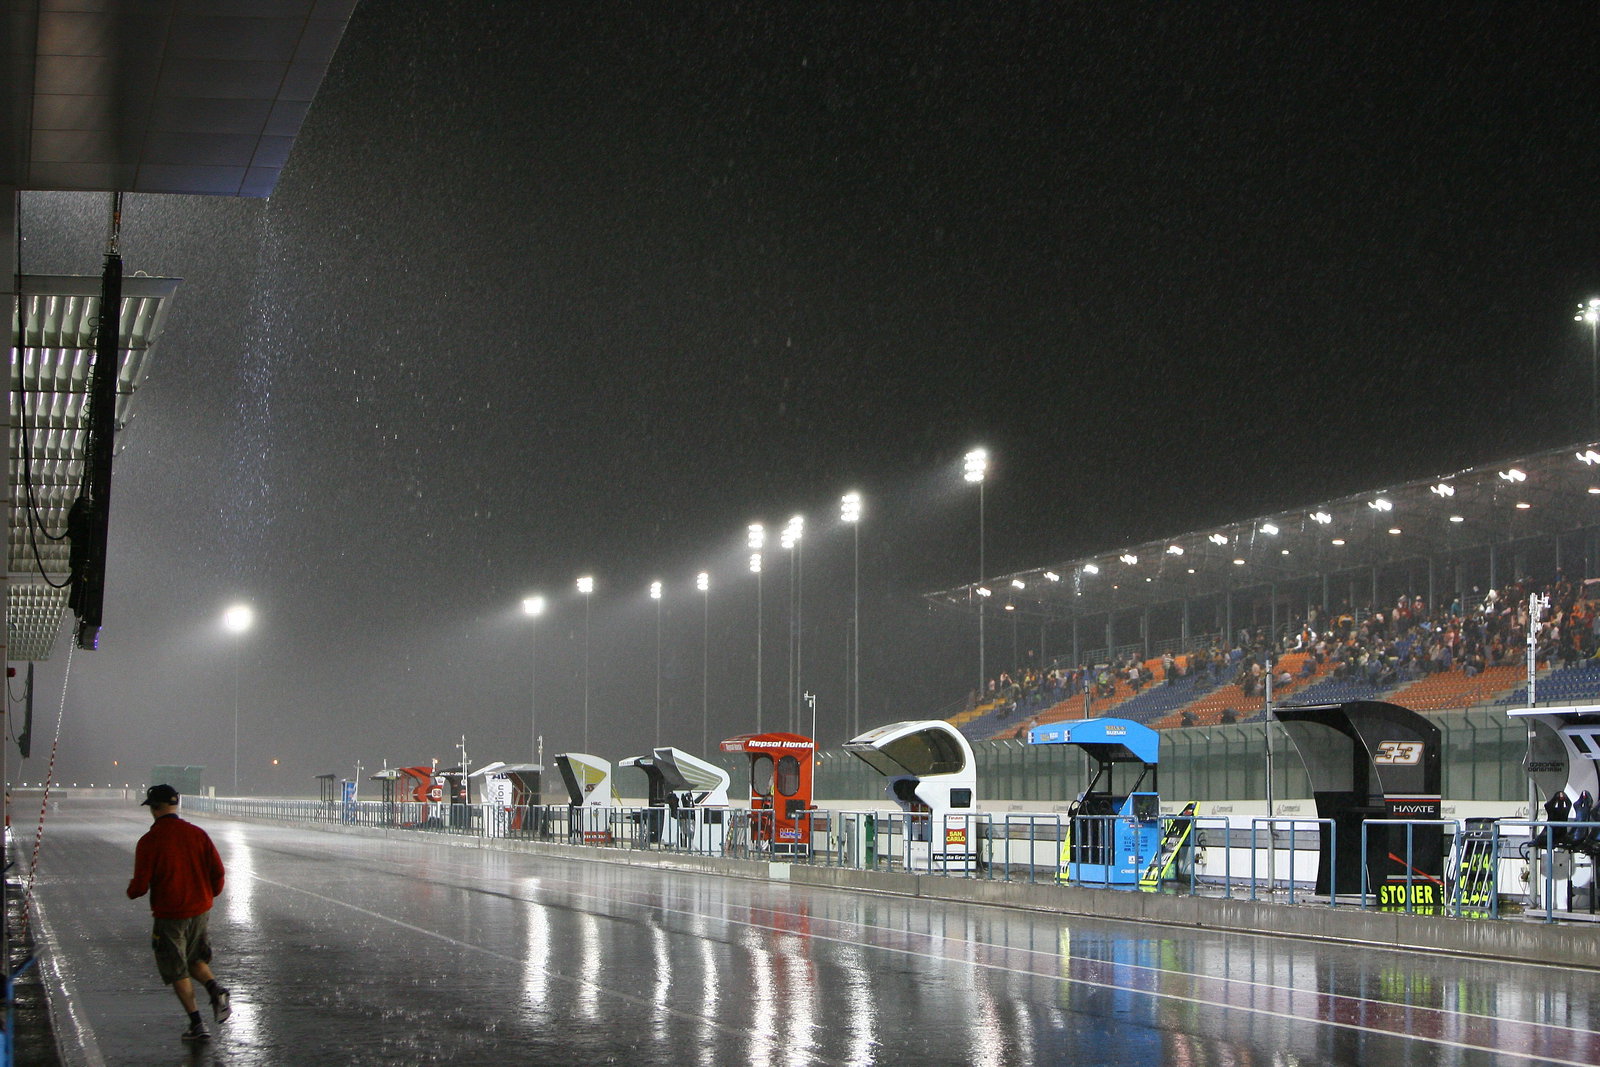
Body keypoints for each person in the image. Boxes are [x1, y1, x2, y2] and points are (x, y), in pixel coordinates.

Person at [126, 784, 232, 1043]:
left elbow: (139, 886)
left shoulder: (150, 841)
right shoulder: (198, 834)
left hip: (171, 914)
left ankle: (197, 1024)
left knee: (176, 969)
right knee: (196, 958)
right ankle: (215, 990)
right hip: (200, 910)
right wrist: (207, 896)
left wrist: (131, 891)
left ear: (154, 808)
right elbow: (218, 872)